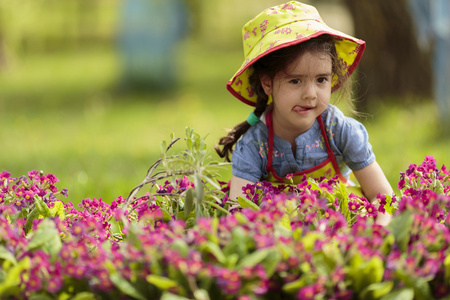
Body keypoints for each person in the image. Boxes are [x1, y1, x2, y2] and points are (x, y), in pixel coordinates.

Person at [215, 1, 393, 225]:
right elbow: (239, 215)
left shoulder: (339, 130)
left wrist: (377, 234)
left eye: (321, 79)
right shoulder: (254, 145)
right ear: (267, 82)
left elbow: (384, 198)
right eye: (295, 80)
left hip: (344, 227)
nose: (310, 94)